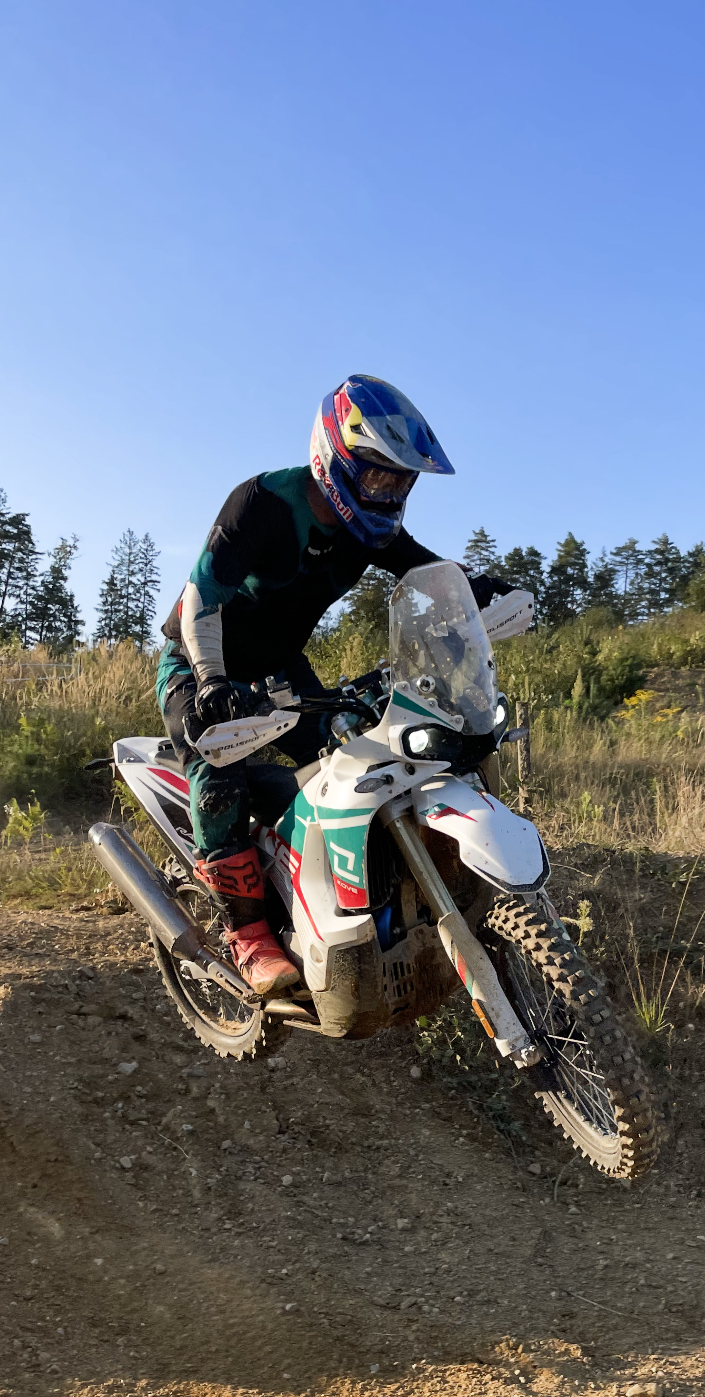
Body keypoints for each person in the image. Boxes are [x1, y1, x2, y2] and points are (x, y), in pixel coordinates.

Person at [156, 374, 512, 994]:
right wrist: (212, 681)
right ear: (335, 456)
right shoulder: (263, 503)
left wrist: (478, 589)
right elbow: (199, 598)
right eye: (378, 477)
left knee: (352, 754)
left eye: (401, 482)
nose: (389, 493)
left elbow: (424, 567)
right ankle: (246, 932)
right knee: (219, 769)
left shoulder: (368, 530)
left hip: (279, 667)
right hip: (200, 663)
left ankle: (334, 893)